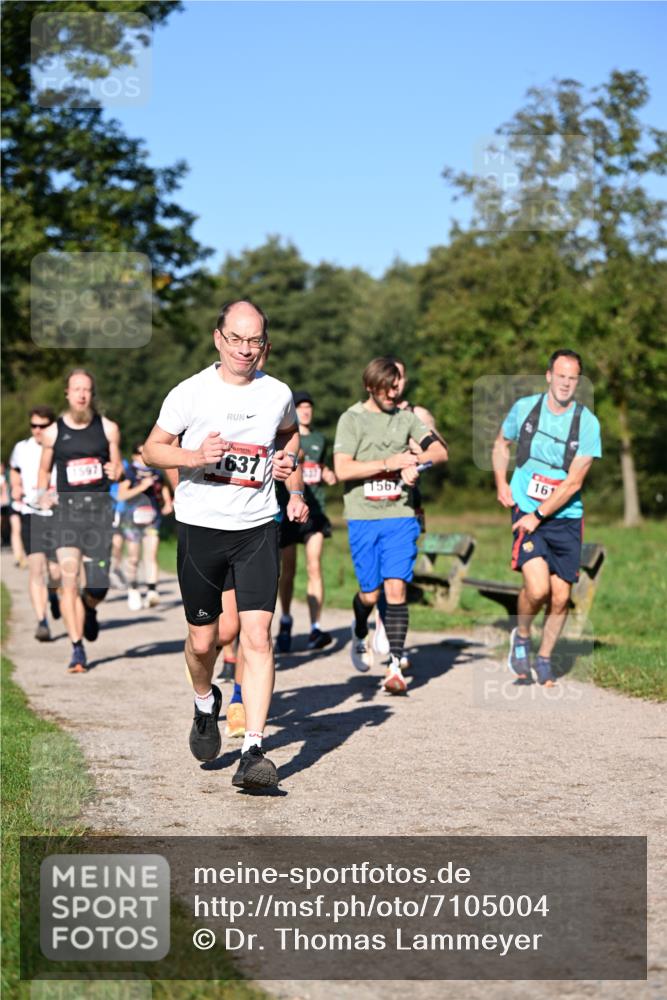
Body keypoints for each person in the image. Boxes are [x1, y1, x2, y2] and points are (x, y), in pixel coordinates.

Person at [143, 300, 307, 789]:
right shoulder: (190, 393)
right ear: (218, 338)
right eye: (236, 338)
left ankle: (252, 750)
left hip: (257, 527)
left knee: (257, 638)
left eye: (254, 340)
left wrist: (289, 474)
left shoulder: (277, 392)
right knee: (203, 641)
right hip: (200, 529)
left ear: (266, 345)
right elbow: (152, 449)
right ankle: (203, 701)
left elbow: (290, 436)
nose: (245, 349)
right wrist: (194, 455)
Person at [333, 358, 448, 693]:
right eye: (388, 388)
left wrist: (418, 466)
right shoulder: (352, 419)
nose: (394, 393)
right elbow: (342, 469)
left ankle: (395, 667)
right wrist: (390, 463)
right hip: (364, 517)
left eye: (398, 387)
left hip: (400, 515)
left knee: (396, 589)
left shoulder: (406, 418)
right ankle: (359, 627)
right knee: (371, 593)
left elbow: (439, 451)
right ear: (371, 386)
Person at [492, 350, 602, 685]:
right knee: (537, 589)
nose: (567, 383)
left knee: (560, 598)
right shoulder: (525, 409)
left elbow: (574, 483)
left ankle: (544, 658)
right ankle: (522, 636)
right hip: (526, 507)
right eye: (562, 376)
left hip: (564, 516)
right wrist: (500, 482)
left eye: (573, 378)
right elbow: (501, 444)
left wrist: (539, 515)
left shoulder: (587, 423)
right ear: (549, 376)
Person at [38, 370, 122, 673]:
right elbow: (45, 471)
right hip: (67, 515)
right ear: (67, 393)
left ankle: (89, 609)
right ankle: (77, 649)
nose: (82, 395)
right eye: (76, 389)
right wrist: (43, 494)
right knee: (69, 581)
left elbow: (118, 467)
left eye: (87, 389)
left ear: (91, 394)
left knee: (98, 586)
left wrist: (117, 473)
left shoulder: (108, 429)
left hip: (99, 514)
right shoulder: (53, 432)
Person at [373, 357, 447, 666]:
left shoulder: (418, 414)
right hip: (373, 503)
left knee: (399, 573)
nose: (395, 382)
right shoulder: (368, 414)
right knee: (376, 573)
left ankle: (393, 642)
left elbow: (439, 451)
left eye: (400, 377)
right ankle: (378, 621)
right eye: (390, 377)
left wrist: (418, 461)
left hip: (408, 505)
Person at [276, 390, 337, 653]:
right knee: (287, 571)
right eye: (300, 406)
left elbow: (323, 468)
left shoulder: (321, 439)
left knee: (314, 567)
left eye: (309, 406)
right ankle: (286, 620)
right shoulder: (283, 436)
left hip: (315, 512)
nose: (306, 410)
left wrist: (328, 473)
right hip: (286, 511)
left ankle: (315, 628)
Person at [8, 407, 62, 640]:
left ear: (52, 426)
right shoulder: (22, 448)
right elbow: (14, 469)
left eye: (43, 426)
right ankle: (42, 621)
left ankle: (53, 595)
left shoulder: (62, 447)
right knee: (36, 568)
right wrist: (17, 486)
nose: (38, 430)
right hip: (32, 513)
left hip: (59, 515)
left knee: (56, 571)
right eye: (34, 426)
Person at [117, 442, 173, 610]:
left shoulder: (156, 471)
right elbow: (121, 495)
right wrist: (141, 486)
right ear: (134, 455)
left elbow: (163, 488)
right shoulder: (129, 472)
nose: (145, 456)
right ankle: (133, 590)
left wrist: (168, 503)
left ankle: (152, 591)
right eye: (141, 453)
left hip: (151, 518)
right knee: (133, 557)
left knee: (151, 555)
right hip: (131, 520)